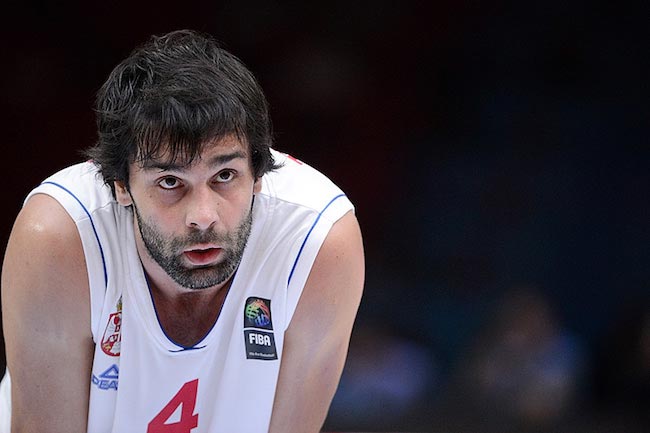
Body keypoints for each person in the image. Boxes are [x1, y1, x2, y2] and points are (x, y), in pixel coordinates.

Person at [0, 29, 364, 433]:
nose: (203, 216)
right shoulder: (60, 237)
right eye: (171, 182)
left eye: (225, 175)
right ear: (120, 185)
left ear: (258, 174)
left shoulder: (318, 239)